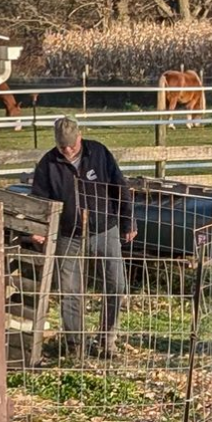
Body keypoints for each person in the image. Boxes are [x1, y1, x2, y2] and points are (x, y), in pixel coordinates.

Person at [28, 117, 135, 358]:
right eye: (62, 146)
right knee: (70, 290)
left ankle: (107, 340)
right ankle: (75, 346)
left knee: (115, 285)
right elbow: (38, 198)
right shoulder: (48, 163)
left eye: (71, 145)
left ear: (80, 137)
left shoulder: (98, 153)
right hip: (68, 234)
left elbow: (120, 187)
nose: (67, 150)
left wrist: (128, 221)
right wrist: (39, 228)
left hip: (104, 229)